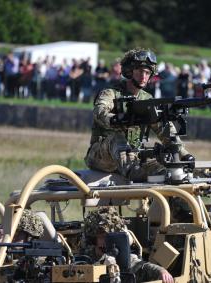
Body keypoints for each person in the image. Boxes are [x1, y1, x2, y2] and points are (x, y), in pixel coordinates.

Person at [84, 48, 193, 182]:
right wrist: (115, 120)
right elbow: (99, 111)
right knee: (117, 138)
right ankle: (133, 172)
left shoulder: (147, 99)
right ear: (130, 71)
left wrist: (183, 154)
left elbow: (163, 128)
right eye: (140, 71)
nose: (144, 76)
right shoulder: (110, 93)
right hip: (102, 156)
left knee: (166, 173)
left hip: (133, 156)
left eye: (147, 73)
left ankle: (169, 200)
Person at [82, 207, 174, 283]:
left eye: (109, 237)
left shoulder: (122, 257)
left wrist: (162, 271)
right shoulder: (86, 257)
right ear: (93, 239)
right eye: (101, 237)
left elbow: (143, 266)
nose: (105, 241)